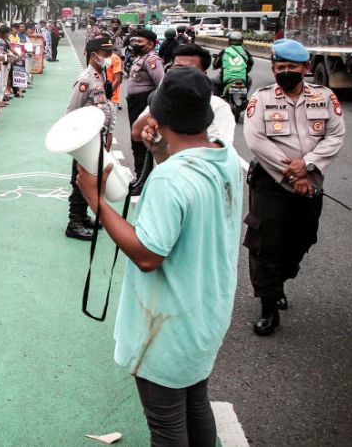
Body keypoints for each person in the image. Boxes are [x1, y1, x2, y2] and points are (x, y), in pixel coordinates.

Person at [76, 67, 242, 447]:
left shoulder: (170, 180)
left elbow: (149, 255)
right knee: (196, 404)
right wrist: (161, 152)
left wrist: (95, 200)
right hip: (205, 315)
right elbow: (183, 203)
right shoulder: (226, 156)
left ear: (160, 116)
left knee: (167, 428)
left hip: (167, 327)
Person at [243, 39, 345, 336]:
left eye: (292, 67)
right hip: (270, 182)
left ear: (306, 68)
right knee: (265, 244)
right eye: (280, 67)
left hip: (311, 181)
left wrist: (308, 165)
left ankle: (280, 281)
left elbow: (335, 136)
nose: (286, 72)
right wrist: (292, 175)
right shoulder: (260, 99)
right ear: (273, 69)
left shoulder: (325, 97)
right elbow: (256, 140)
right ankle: (268, 305)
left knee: (302, 239)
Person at [131, 44, 236, 150]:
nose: (181, 74)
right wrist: (161, 106)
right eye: (178, 68)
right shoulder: (163, 99)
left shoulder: (218, 106)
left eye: (189, 69)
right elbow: (136, 134)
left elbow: (220, 150)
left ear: (203, 74)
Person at [64, 37, 116, 241]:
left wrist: (109, 133)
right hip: (86, 140)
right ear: (93, 55)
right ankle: (74, 222)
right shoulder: (85, 80)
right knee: (80, 180)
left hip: (98, 137)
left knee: (92, 178)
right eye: (105, 54)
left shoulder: (101, 75)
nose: (109, 57)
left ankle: (83, 216)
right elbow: (71, 112)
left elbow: (107, 107)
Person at [126, 29, 165, 179]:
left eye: (140, 42)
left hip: (144, 102)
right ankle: (140, 176)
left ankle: (143, 179)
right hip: (135, 103)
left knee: (141, 141)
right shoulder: (140, 58)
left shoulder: (152, 60)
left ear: (150, 44)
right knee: (135, 141)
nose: (136, 44)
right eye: (135, 41)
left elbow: (161, 83)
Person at [211, 30, 254, 95]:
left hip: (226, 78)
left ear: (229, 41)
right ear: (242, 42)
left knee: (213, 81)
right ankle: (244, 98)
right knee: (249, 80)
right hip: (242, 79)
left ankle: (217, 100)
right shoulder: (245, 52)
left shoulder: (225, 51)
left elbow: (215, 65)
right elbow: (251, 63)